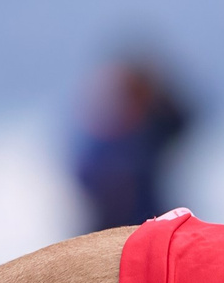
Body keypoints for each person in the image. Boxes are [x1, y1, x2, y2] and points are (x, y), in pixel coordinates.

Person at [68, 47, 202, 232]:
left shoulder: (151, 134)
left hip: (153, 226)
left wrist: (157, 88)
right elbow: (85, 176)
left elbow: (183, 119)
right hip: (107, 232)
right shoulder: (103, 140)